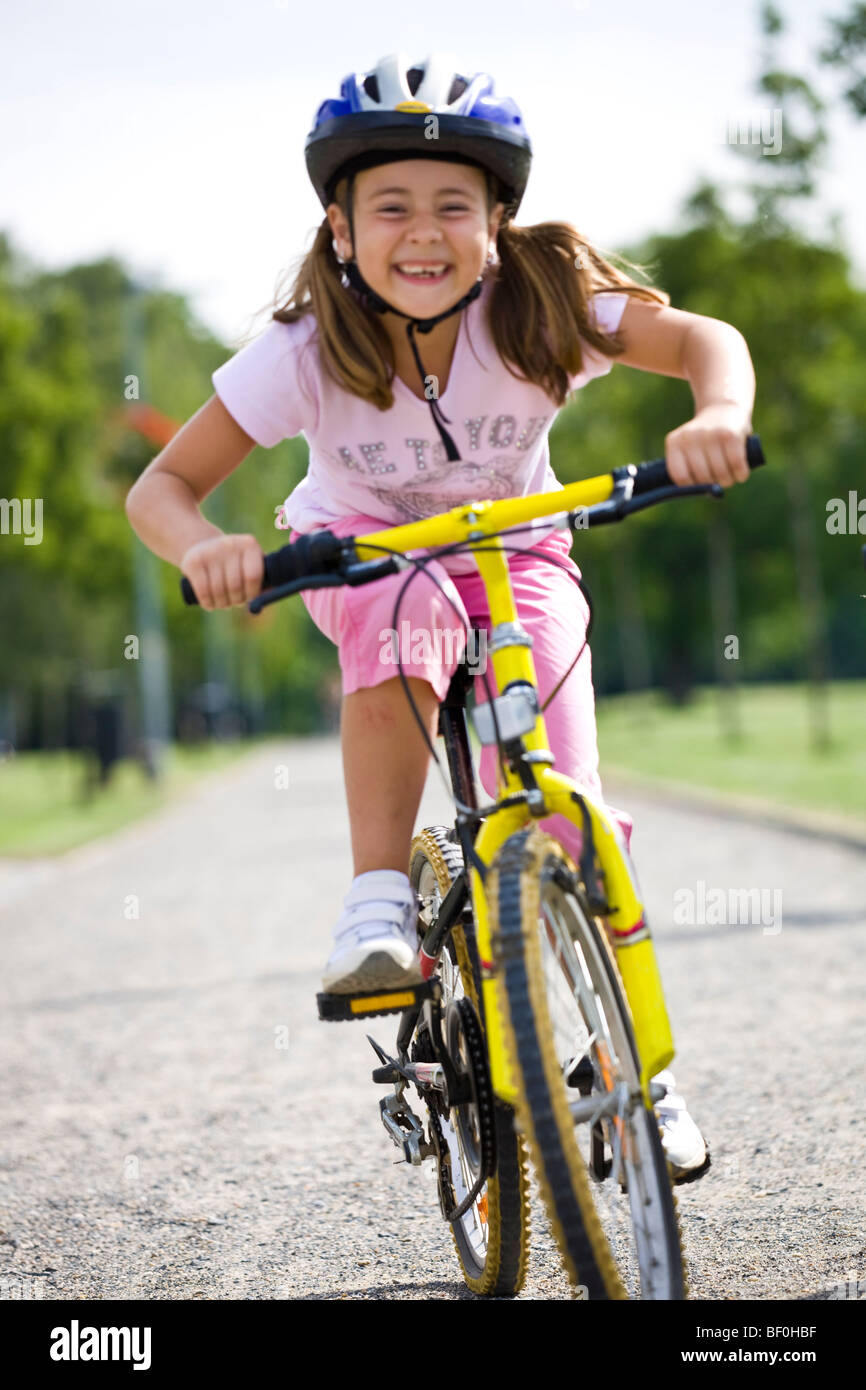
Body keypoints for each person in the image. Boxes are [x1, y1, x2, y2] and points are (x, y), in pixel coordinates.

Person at [125, 54, 756, 1183]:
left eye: (452, 205)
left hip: (517, 551)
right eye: (391, 207)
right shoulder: (308, 352)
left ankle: (640, 1077)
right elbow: (158, 490)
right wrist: (206, 547)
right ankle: (376, 901)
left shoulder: (542, 309)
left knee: (581, 824)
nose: (423, 231)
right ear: (339, 226)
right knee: (407, 614)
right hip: (363, 552)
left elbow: (705, 340)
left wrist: (717, 411)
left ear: (498, 220)